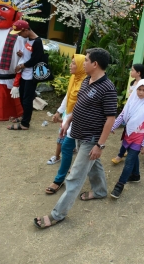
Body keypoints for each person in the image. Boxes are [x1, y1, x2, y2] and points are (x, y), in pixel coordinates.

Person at [34, 48, 117, 229]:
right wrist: (68, 121)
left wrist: (100, 145)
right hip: (78, 132)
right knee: (94, 165)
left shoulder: (108, 88)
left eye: (86, 60)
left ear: (95, 64)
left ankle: (57, 214)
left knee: (74, 178)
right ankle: (101, 190)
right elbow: (79, 103)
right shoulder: (88, 79)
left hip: (91, 138)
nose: (83, 62)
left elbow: (111, 119)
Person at [43, 54, 86, 194]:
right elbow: (68, 96)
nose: (70, 65)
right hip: (69, 116)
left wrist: (69, 120)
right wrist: (59, 112)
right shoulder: (74, 78)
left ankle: (60, 179)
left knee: (71, 147)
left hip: (79, 120)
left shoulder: (86, 82)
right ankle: (62, 176)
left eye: (74, 63)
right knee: (70, 148)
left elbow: (82, 105)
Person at [110, 79, 144, 199]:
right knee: (132, 156)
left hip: (139, 139)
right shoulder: (132, 100)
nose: (141, 92)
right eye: (139, 89)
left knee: (129, 161)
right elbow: (122, 115)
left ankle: (119, 185)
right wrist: (113, 126)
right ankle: (136, 176)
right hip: (128, 135)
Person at [7, 20, 44, 130]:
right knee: (23, 96)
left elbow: (36, 59)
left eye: (19, 33)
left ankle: (25, 124)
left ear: (26, 30)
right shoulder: (28, 39)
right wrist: (22, 54)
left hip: (31, 76)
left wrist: (21, 66)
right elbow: (29, 54)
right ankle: (24, 117)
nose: (19, 35)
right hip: (25, 74)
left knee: (27, 99)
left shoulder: (37, 42)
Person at [111, 63, 144, 165]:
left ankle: (120, 155)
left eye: (132, 70)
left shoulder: (143, 84)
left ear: (138, 73)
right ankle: (124, 152)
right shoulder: (132, 82)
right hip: (129, 110)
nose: (131, 72)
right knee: (127, 134)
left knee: (130, 134)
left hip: (137, 114)